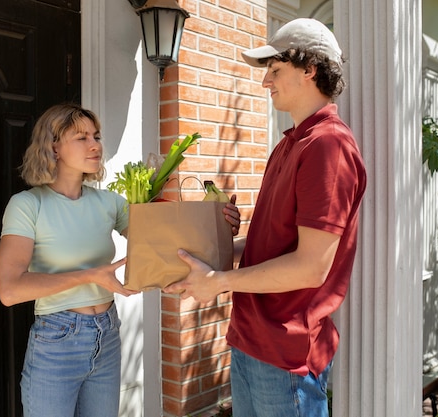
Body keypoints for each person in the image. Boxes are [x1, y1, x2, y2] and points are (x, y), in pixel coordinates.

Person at [164, 18, 367, 417]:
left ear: (309, 69)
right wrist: (214, 247)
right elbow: (274, 247)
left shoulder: (328, 146)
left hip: (286, 354)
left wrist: (218, 283)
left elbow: (310, 268)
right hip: (251, 341)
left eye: (274, 70)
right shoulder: (289, 144)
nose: (264, 82)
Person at [0, 103, 241, 417]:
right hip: (57, 340)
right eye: (81, 137)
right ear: (53, 146)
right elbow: (10, 289)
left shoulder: (109, 202)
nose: (95, 144)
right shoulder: (27, 205)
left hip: (107, 334)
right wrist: (91, 275)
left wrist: (219, 226)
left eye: (96, 136)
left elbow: (166, 246)